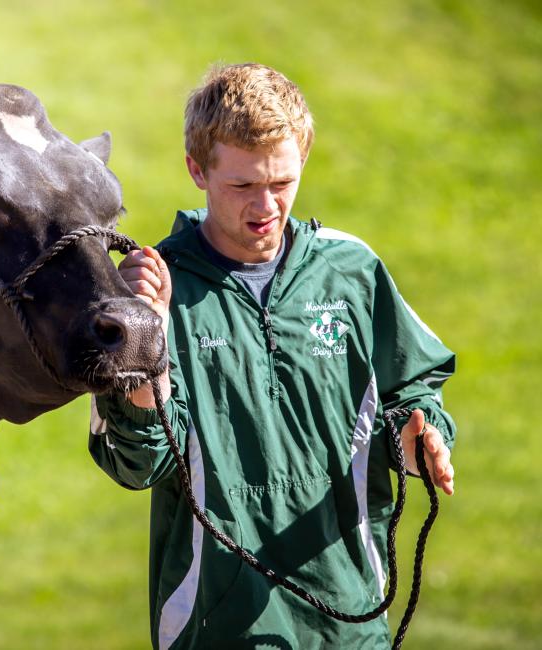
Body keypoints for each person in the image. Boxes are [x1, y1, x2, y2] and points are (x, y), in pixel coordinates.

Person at [89, 63, 456, 649]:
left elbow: (411, 394)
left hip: (350, 625)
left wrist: (418, 438)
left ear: (302, 160)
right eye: (242, 186)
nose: (265, 206)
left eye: (282, 182)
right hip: (213, 632)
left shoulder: (352, 272)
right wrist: (146, 344)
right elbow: (136, 466)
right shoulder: (154, 292)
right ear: (197, 171)